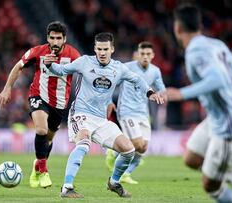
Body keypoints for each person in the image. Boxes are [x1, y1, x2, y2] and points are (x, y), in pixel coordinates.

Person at [167, 4, 232, 203]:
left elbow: (216, 80)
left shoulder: (195, 53)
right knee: (191, 158)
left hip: (229, 128)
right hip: (217, 118)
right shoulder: (216, 45)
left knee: (210, 184)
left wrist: (181, 93)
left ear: (177, 28)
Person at [44, 32, 166, 198]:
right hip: (81, 113)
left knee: (128, 150)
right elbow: (61, 70)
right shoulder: (84, 62)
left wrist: (149, 92)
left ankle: (114, 182)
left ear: (112, 49)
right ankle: (66, 187)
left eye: (105, 49)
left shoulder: (118, 68)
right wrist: (50, 65)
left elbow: (137, 79)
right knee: (84, 143)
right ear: (95, 48)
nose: (102, 52)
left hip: (101, 120)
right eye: (99, 49)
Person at [0, 21, 80, 188]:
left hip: (60, 103)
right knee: (41, 129)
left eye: (58, 38)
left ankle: (37, 167)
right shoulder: (38, 52)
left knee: (48, 140)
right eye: (52, 38)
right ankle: (43, 171)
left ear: (64, 39)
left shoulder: (73, 55)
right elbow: (18, 67)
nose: (55, 42)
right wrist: (7, 88)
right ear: (47, 38)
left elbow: (85, 74)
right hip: (38, 95)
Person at [105, 41, 167, 184]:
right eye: (142, 54)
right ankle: (113, 153)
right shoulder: (126, 68)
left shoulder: (155, 71)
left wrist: (163, 94)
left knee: (143, 148)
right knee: (137, 143)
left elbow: (160, 87)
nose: (145, 56)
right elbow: (111, 83)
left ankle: (125, 173)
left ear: (153, 55)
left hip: (143, 113)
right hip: (126, 110)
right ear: (137, 55)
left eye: (148, 54)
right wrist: (109, 100)